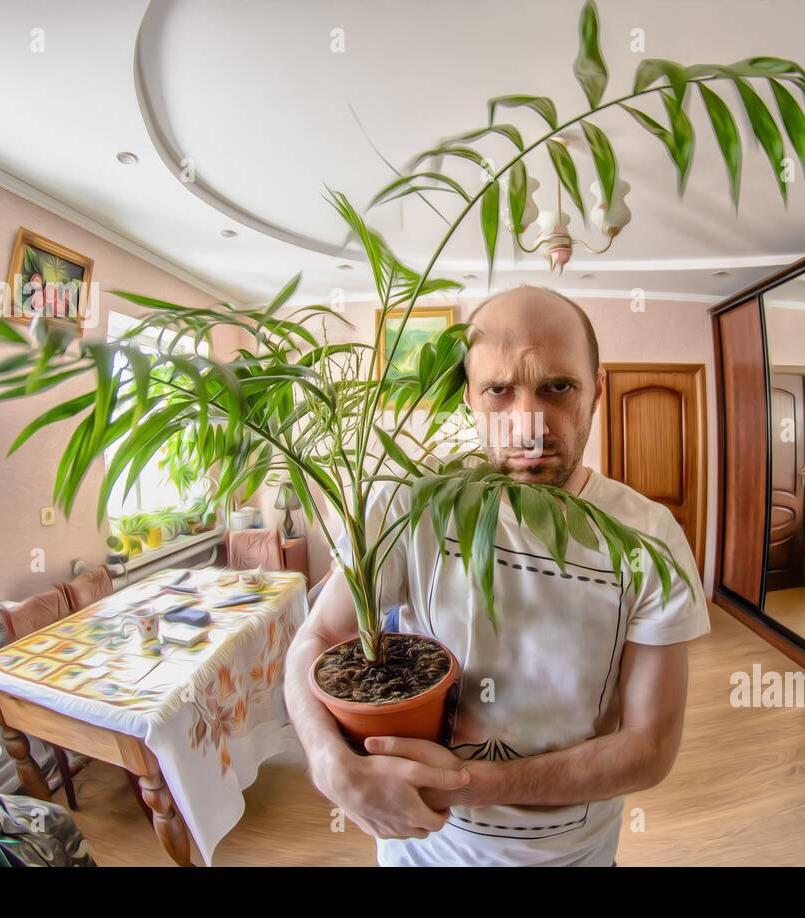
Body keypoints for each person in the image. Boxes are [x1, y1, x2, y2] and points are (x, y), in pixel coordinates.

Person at [284, 286, 710, 866]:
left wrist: (470, 784)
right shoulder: (409, 508)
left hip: (572, 856)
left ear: (598, 392)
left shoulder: (650, 537)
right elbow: (317, 639)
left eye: (557, 387)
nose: (528, 424)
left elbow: (649, 746)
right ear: (469, 399)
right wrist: (326, 760)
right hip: (419, 853)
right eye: (499, 391)